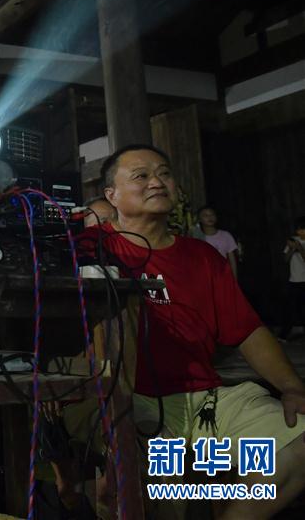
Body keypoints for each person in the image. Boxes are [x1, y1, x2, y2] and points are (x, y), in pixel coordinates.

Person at [55, 144, 305, 519]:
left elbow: (247, 331)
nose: (157, 181)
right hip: (128, 398)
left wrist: (292, 387)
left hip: (206, 401)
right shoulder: (88, 249)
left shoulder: (203, 256)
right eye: (141, 175)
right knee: (157, 480)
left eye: (165, 173)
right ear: (112, 195)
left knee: (297, 441)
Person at [196, 205, 239, 280]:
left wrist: (234, 279)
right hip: (205, 277)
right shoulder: (197, 238)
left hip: (223, 275)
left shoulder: (226, 235)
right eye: (205, 215)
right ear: (199, 219)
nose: (209, 217)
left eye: (212, 214)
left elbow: (232, 260)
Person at [280, 216, 305, 340]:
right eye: (299, 229)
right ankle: (284, 334)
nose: (301, 232)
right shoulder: (292, 240)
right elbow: (285, 259)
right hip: (294, 280)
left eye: (303, 229)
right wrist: (291, 248)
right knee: (290, 309)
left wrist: (300, 248)